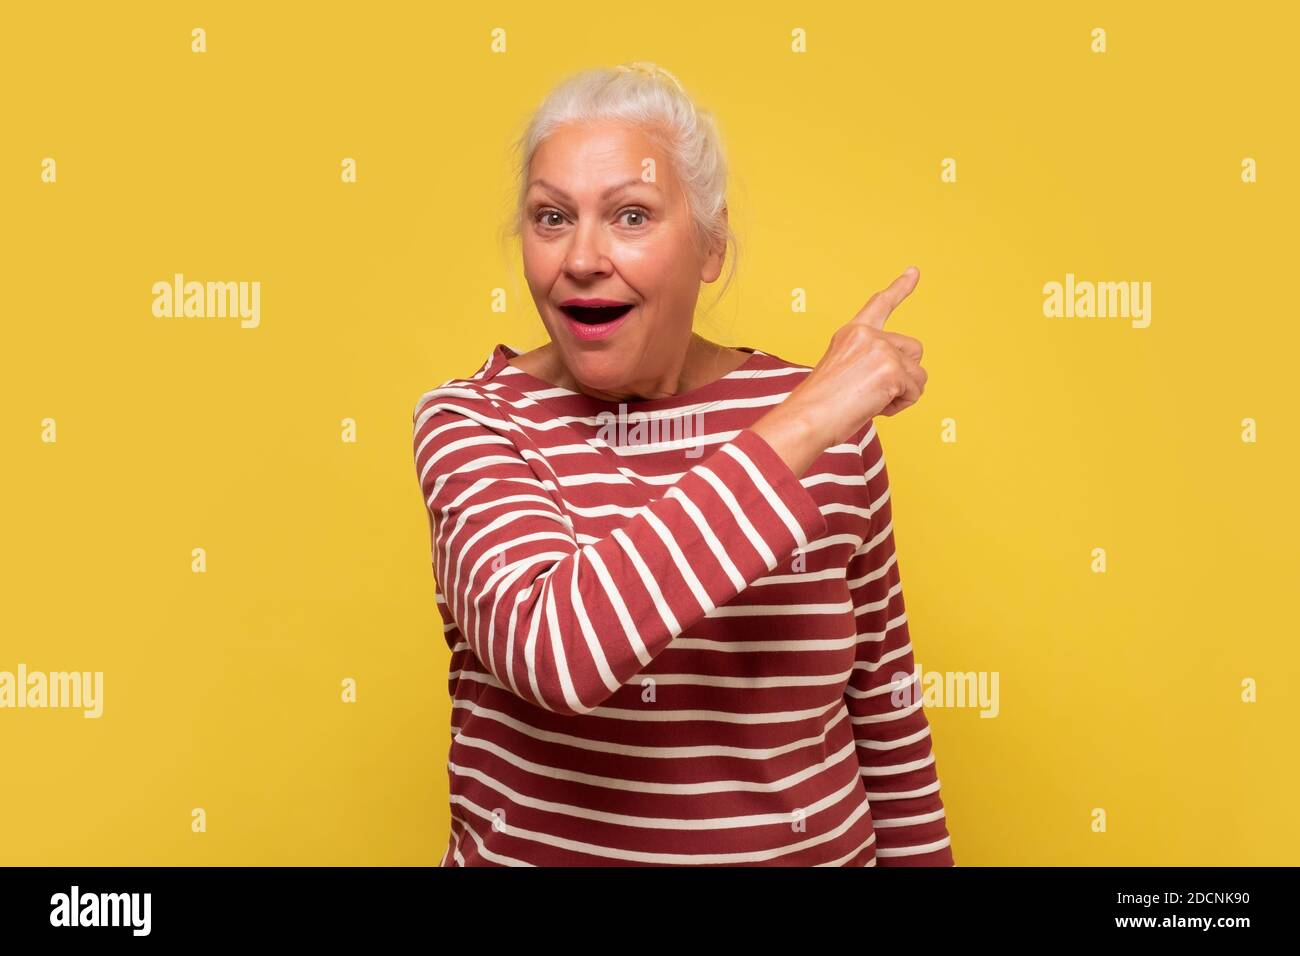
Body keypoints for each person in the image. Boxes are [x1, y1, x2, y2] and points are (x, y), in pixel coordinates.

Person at [412, 61, 952, 866]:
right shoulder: (472, 421)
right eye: (551, 217)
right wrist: (804, 421)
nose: (584, 257)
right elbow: (557, 652)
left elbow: (885, 710)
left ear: (710, 246)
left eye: (631, 215)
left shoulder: (832, 428)